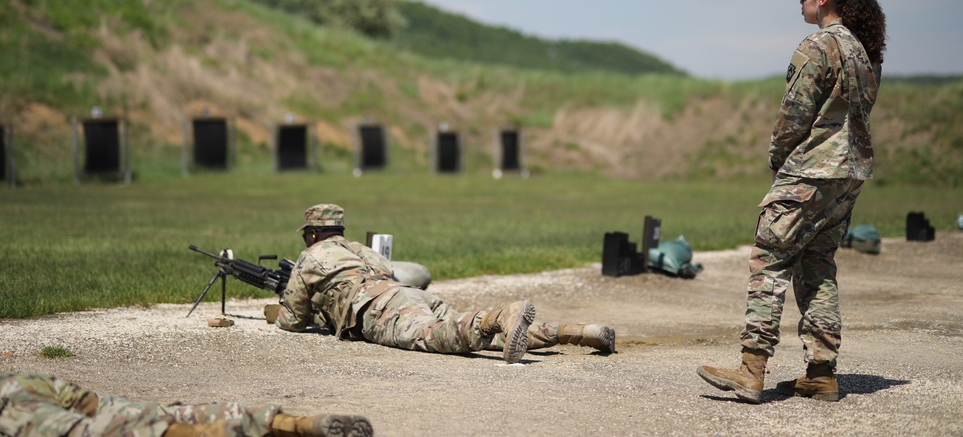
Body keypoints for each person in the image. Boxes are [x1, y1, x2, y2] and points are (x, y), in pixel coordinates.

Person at [697, 0, 887, 404]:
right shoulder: (864, 51)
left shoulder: (820, 45)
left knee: (770, 259)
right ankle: (821, 373)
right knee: (818, 266)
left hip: (810, 171)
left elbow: (795, 114)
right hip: (848, 174)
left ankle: (752, 370)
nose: (800, 2)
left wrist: (777, 158)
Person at [275, 204, 615, 364]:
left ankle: (500, 315)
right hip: (407, 295)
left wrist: (282, 309)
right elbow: (388, 274)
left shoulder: (310, 257)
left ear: (313, 234)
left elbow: (292, 321)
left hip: (379, 308)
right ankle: (576, 331)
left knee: (435, 337)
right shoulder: (360, 250)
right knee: (488, 335)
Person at [0, 372, 372, 437]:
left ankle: (206, 434)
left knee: (81, 432)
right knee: (155, 412)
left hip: (8, 399)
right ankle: (295, 425)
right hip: (30, 382)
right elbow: (95, 404)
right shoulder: (359, 253)